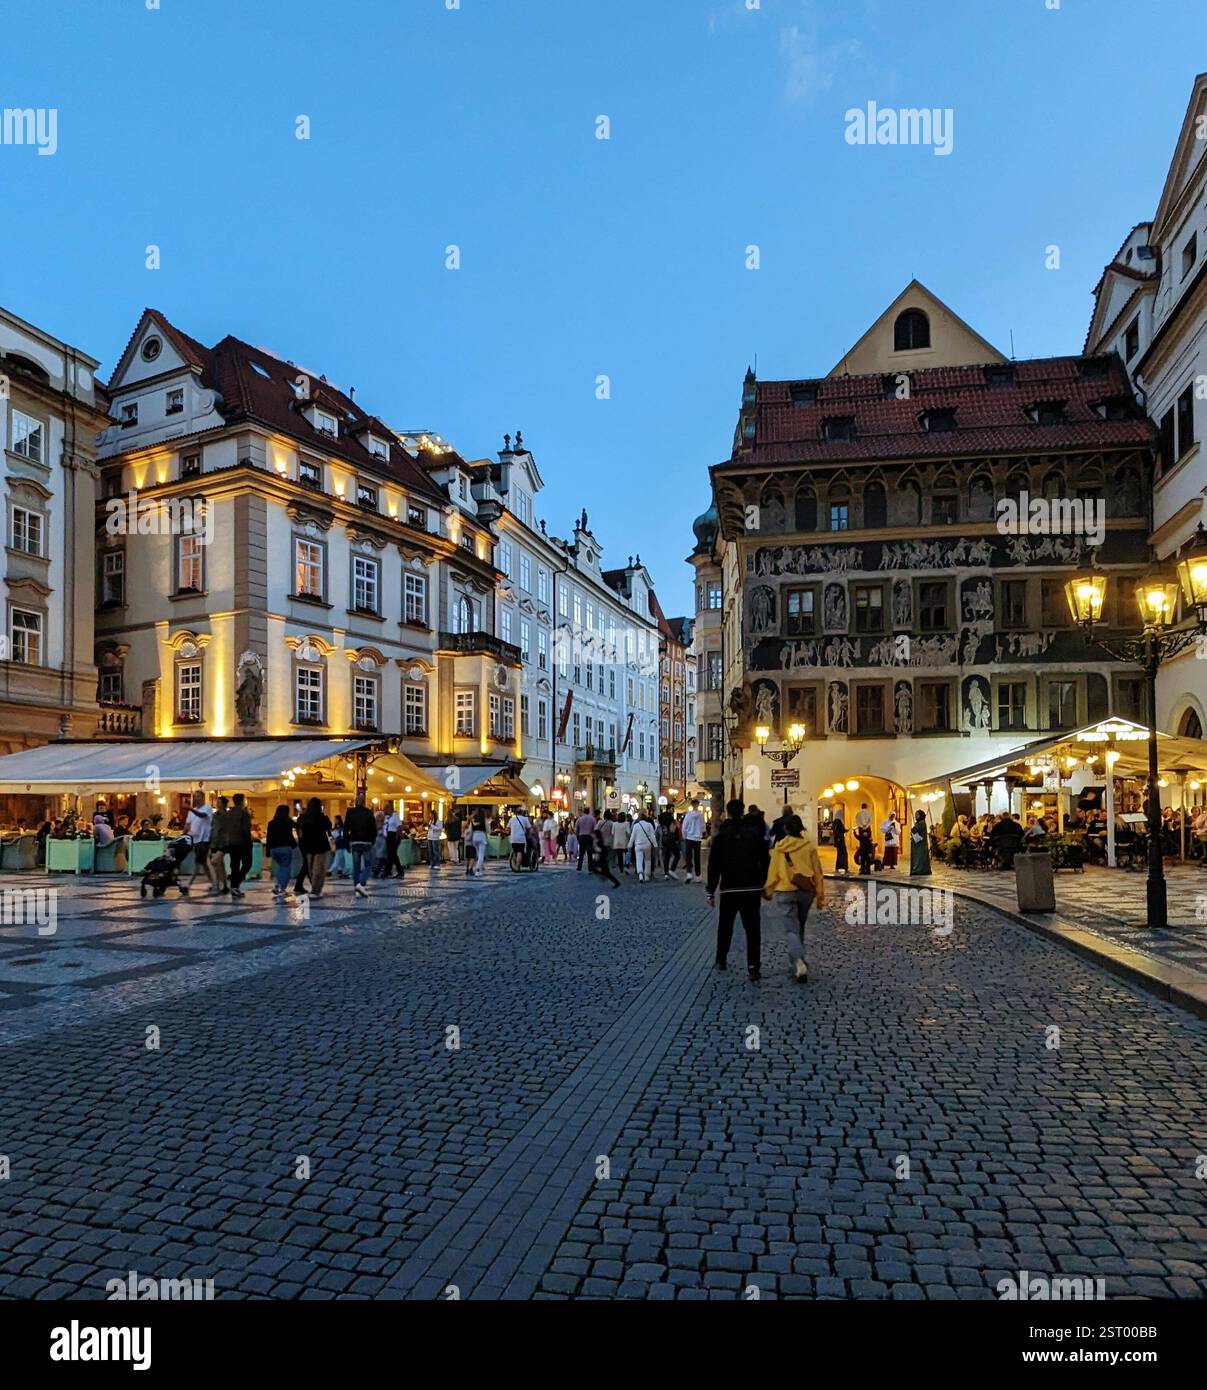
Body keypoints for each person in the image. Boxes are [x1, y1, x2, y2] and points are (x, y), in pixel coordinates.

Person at [708, 798, 770, 979]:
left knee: (725, 926)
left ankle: (721, 958)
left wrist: (710, 890)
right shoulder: (754, 834)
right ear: (743, 812)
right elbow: (765, 860)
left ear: (727, 813)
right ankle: (753, 966)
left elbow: (714, 866)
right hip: (751, 888)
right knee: (752, 929)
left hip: (729, 889)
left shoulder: (721, 837)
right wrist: (763, 881)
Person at [762, 813, 824, 984]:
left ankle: (798, 962)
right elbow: (818, 872)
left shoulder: (780, 848)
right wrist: (820, 895)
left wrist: (768, 890)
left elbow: (773, 872)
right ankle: (797, 961)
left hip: (785, 891)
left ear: (786, 829)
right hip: (805, 892)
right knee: (800, 927)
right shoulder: (809, 847)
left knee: (791, 930)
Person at [296, 797, 333, 897]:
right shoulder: (321, 817)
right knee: (319, 868)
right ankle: (316, 889)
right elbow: (329, 826)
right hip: (321, 845)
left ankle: (314, 888)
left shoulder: (303, 817)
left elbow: (300, 831)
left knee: (311, 868)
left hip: (308, 846)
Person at [344, 793, 377, 899]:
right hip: (366, 842)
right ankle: (361, 884)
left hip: (355, 842)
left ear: (355, 801)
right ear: (364, 801)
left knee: (356, 867)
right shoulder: (368, 812)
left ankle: (357, 887)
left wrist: (347, 842)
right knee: (368, 865)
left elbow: (345, 829)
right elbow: (373, 829)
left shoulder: (350, 812)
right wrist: (373, 840)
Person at [265, 805, 297, 899]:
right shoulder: (288, 822)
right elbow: (297, 826)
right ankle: (281, 887)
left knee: (281, 867)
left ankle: (279, 885)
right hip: (285, 848)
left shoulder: (271, 823)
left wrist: (268, 851)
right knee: (286, 868)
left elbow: (269, 837)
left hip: (274, 849)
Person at [185, 790, 214, 891]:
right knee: (204, 863)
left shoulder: (207, 808)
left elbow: (202, 815)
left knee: (198, 862)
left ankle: (188, 884)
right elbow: (188, 824)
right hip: (195, 839)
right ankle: (213, 882)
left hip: (204, 839)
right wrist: (184, 834)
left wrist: (191, 810)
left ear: (202, 797)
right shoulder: (191, 811)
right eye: (195, 796)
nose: (196, 798)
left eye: (198, 796)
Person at [226, 793, 253, 898]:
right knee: (247, 864)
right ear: (242, 801)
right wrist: (249, 841)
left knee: (234, 865)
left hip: (232, 842)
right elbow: (246, 829)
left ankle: (234, 886)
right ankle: (235, 884)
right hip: (243, 842)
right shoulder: (244, 813)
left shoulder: (229, 812)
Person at [209, 795, 232, 894]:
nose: (217, 804)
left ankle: (217, 884)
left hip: (223, 843)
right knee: (219, 865)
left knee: (214, 862)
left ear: (223, 804)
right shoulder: (214, 815)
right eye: (216, 802)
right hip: (214, 843)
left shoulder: (227, 816)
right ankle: (223, 885)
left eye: (219, 802)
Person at [593, 811, 621, 888]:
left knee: (601, 860)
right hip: (610, 843)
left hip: (602, 843)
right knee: (607, 858)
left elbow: (595, 830)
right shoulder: (612, 823)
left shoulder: (600, 822)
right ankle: (606, 873)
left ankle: (605, 873)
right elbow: (613, 833)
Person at [631, 810, 659, 883]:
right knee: (647, 860)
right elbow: (652, 836)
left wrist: (630, 844)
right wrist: (655, 844)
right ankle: (647, 876)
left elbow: (633, 836)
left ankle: (640, 874)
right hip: (647, 845)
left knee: (639, 860)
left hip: (638, 845)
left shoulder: (636, 825)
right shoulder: (649, 825)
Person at [681, 799, 704, 882]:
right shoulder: (701, 816)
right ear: (697, 805)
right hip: (697, 838)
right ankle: (698, 876)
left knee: (688, 857)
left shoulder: (688, 815)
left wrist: (684, 836)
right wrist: (701, 833)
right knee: (697, 857)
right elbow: (703, 827)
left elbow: (684, 827)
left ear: (691, 805)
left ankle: (689, 874)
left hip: (689, 838)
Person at [382, 802, 403, 879]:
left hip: (393, 836)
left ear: (389, 809)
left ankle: (400, 871)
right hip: (388, 836)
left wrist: (397, 836)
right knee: (390, 855)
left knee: (393, 854)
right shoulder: (387, 817)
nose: (384, 811)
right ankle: (387, 871)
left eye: (385, 809)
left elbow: (399, 826)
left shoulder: (395, 816)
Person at [910, 810, 932, 877]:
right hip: (917, 844)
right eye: (915, 815)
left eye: (917, 815)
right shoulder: (920, 823)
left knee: (919, 858)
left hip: (920, 845)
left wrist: (913, 828)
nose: (916, 816)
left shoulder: (922, 823)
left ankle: (918, 870)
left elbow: (914, 829)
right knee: (918, 857)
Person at [660, 815, 681, 879]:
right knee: (677, 855)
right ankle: (672, 870)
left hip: (664, 838)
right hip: (670, 837)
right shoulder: (671, 822)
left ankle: (666, 874)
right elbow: (673, 830)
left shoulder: (663, 823)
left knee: (666, 856)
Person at [831, 810, 849, 875]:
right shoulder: (838, 821)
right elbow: (842, 830)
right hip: (840, 840)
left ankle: (838, 867)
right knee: (844, 853)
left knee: (839, 854)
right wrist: (847, 830)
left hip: (837, 840)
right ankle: (845, 867)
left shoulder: (835, 821)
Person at [470, 811, 488, 876]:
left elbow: (470, 830)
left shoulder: (473, 821)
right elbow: (487, 830)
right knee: (481, 855)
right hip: (482, 836)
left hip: (474, 836)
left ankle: (481, 866)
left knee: (478, 854)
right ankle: (478, 870)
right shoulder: (484, 821)